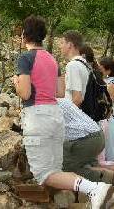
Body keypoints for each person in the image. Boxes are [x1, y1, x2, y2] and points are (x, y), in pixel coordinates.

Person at [13, 15, 113, 207]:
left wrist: (17, 82)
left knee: (44, 174)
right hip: (55, 118)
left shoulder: (25, 58)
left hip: (37, 118)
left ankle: (93, 188)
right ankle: (80, 194)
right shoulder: (52, 59)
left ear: (25, 35)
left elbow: (25, 93)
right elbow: (59, 92)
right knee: (56, 169)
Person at [59, 98, 114, 184]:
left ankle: (105, 178)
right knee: (87, 165)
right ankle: (102, 180)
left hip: (86, 139)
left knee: (65, 169)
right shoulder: (62, 101)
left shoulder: (47, 106)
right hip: (96, 135)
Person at [59, 30, 89, 106]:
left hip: (73, 114)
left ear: (69, 45)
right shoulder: (84, 63)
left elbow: (77, 99)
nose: (60, 46)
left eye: (62, 43)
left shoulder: (73, 65)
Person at [99, 57, 114, 163]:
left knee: (110, 144)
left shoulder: (110, 83)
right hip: (108, 117)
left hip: (110, 117)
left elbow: (110, 102)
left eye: (101, 69)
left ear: (108, 70)